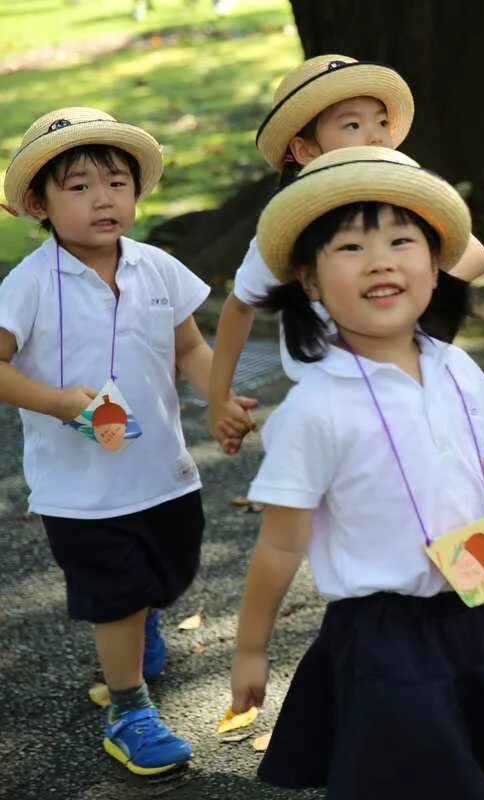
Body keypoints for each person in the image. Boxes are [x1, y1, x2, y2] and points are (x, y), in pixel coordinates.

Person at [229, 145, 484, 799]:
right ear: (309, 279)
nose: (381, 259)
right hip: (380, 636)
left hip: (474, 609)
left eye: (401, 240)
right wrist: (250, 648)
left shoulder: (456, 369)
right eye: (351, 248)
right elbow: (280, 543)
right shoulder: (317, 407)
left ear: (435, 267)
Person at [0, 107, 252, 775]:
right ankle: (129, 709)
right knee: (114, 592)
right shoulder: (26, 288)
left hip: (163, 471)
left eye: (117, 182)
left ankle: (143, 624)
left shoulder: (158, 268)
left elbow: (192, 346)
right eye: (78, 186)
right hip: (80, 491)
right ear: (39, 205)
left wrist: (219, 397)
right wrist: (58, 402)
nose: (103, 198)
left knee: (169, 574)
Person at [206, 55, 484, 487]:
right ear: (303, 150)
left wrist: (409, 301)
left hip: (413, 379)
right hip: (340, 396)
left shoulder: (402, 194)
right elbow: (242, 303)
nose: (374, 134)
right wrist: (218, 394)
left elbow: (475, 255)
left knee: (476, 488)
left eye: (380, 121)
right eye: (352, 125)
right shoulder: (293, 226)